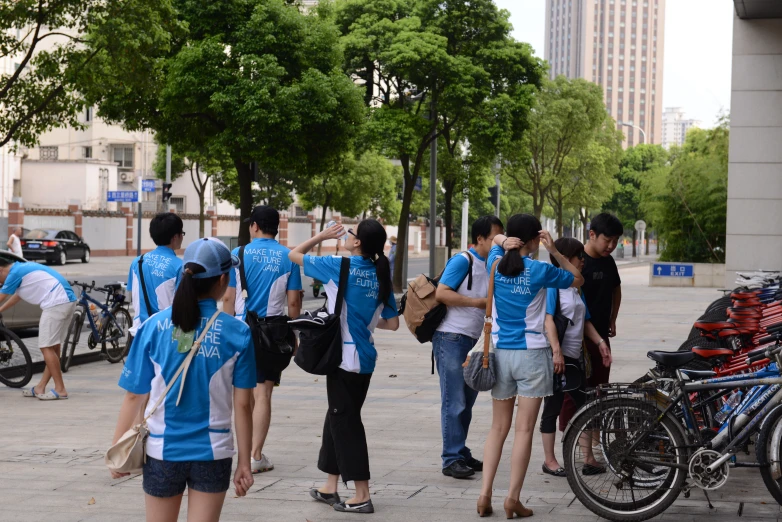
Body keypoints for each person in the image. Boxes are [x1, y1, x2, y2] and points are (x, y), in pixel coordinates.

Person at [110, 238, 256, 522]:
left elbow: (133, 396)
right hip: (213, 452)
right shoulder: (238, 332)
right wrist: (245, 463)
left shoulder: (152, 326)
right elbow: (243, 405)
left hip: (162, 451)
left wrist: (117, 447)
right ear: (223, 279)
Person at [477, 214, 584, 519]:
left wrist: (502, 241)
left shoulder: (495, 264)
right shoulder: (540, 270)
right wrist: (556, 252)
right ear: (535, 240)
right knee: (523, 430)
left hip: (500, 354)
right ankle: (512, 499)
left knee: (498, 428)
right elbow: (578, 278)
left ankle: (485, 494)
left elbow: (495, 243)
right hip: (533, 356)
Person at [289, 219, 399, 514]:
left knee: (346, 422)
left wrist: (322, 235)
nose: (347, 236)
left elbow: (294, 254)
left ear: (359, 242)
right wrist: (363, 320)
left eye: (351, 233)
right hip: (364, 359)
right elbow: (392, 323)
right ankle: (329, 485)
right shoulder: (381, 274)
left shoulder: (340, 266)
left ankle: (362, 494)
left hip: (342, 359)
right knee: (338, 415)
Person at [223, 205, 302, 474]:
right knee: (264, 392)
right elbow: (293, 303)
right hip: (273, 332)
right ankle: (256, 455)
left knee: (244, 393)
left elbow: (228, 298)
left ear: (255, 226)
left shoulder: (238, 254)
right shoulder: (289, 256)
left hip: (241, 330)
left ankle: (244, 453)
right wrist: (295, 333)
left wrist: (226, 330)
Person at [433, 215, 503, 479]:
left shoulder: (491, 264)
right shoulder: (463, 260)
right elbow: (442, 293)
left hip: (475, 341)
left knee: (467, 401)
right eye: (495, 237)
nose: (499, 242)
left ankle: (460, 452)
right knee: (454, 401)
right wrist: (478, 303)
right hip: (451, 338)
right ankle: (451, 458)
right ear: (480, 239)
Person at [540, 237, 611, 478]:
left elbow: (586, 320)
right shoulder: (553, 284)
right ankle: (550, 461)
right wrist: (557, 352)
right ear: (566, 258)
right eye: (578, 256)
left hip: (575, 357)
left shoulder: (575, 286)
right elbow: (548, 319)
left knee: (586, 405)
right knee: (554, 406)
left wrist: (600, 342)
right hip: (558, 359)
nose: (582, 260)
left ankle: (588, 457)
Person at [558, 212, 623, 432]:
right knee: (576, 389)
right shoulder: (577, 262)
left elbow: (616, 289)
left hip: (601, 335)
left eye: (616, 241)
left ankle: (593, 441)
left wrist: (613, 319)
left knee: (599, 389)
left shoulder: (609, 262)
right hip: (577, 337)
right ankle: (571, 436)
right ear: (592, 234)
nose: (611, 245)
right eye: (608, 240)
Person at [0, 260, 77, 399]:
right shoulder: (21, 269)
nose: (2, 284)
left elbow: (1, 296)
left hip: (56, 303)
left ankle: (60, 389)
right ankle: (40, 387)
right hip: (66, 300)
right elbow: (18, 296)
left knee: (46, 347)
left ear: (0, 270)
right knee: (53, 348)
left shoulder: (14, 273)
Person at [127, 213, 185, 337]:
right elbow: (183, 306)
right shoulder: (179, 266)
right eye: (182, 234)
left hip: (139, 334)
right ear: (175, 237)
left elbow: (132, 295)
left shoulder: (137, 262)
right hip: (164, 336)